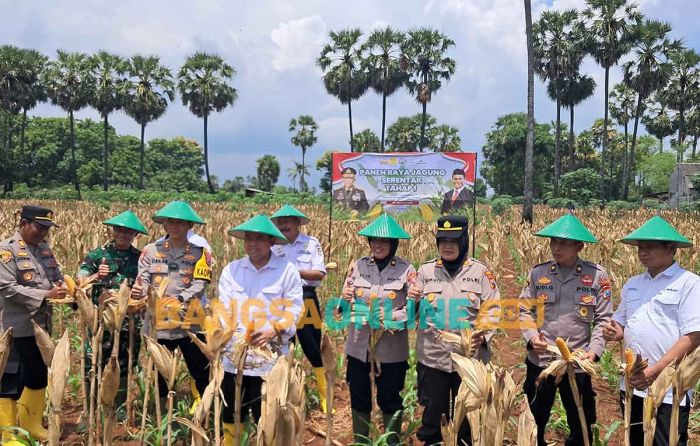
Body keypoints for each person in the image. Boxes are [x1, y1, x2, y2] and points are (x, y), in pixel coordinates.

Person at [602, 216, 700, 446]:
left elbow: (693, 335)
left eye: (650, 247)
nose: (643, 253)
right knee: (634, 439)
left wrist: (654, 371)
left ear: (672, 248)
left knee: (666, 442)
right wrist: (613, 332)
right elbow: (620, 323)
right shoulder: (633, 283)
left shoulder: (689, 283)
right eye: (640, 248)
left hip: (669, 387)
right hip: (633, 382)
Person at [519, 213, 612, 446]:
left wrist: (595, 351)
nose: (555, 247)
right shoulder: (538, 273)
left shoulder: (596, 276)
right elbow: (523, 310)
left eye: (563, 243)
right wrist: (531, 337)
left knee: (581, 421)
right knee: (534, 418)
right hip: (541, 360)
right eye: (553, 242)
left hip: (578, 362)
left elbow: (603, 318)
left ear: (579, 246)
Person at [408, 215, 499, 445]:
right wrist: (413, 301)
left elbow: (493, 309)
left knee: (468, 420)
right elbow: (411, 315)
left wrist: (482, 334)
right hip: (433, 359)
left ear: (464, 241)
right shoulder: (426, 271)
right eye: (442, 240)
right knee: (432, 418)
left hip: (469, 361)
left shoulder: (480, 273)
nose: (447, 246)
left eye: (453, 240)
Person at [218, 215, 303, 445]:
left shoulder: (287, 271)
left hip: (270, 360)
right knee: (231, 412)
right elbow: (224, 309)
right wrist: (232, 336)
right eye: (248, 238)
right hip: (234, 358)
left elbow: (295, 309)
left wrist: (274, 330)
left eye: (259, 238)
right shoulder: (231, 270)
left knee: (266, 416)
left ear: (272, 242)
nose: (252, 243)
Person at [339, 214, 414, 445]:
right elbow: (343, 309)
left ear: (394, 244)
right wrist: (343, 300)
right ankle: (362, 441)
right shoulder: (358, 266)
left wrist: (391, 318)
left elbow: (414, 314)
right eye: (374, 240)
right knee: (359, 399)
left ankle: (392, 441)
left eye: (384, 241)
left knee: (389, 399)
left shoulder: (407, 271)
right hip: (358, 347)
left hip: (391, 350)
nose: (378, 245)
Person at [132, 200, 212, 401]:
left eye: (180, 223)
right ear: (164, 225)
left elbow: (200, 284)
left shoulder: (200, 253)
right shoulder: (150, 251)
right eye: (170, 222)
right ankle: (161, 405)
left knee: (199, 366)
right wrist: (141, 295)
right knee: (160, 369)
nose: (174, 227)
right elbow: (142, 279)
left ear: (189, 226)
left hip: (189, 320)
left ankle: (201, 404)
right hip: (158, 322)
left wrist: (179, 299)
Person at [0, 205, 64, 445]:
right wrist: (46, 294)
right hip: (13, 327)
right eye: (39, 227)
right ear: (23, 223)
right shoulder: (7, 251)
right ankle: (9, 434)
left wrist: (64, 287)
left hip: (40, 327)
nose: (43, 232)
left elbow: (55, 276)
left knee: (37, 374)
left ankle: (31, 425)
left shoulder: (45, 250)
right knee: (10, 378)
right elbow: (6, 287)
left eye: (47, 228)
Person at [77, 210, 148, 406]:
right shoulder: (97, 255)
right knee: (93, 361)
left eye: (128, 232)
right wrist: (96, 276)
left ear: (135, 235)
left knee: (123, 364)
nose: (122, 235)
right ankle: (91, 407)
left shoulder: (140, 258)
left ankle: (117, 407)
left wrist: (141, 291)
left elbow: (148, 284)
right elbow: (79, 282)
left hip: (128, 321)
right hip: (99, 320)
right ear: (113, 231)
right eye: (119, 230)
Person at [270, 204, 330, 412]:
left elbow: (319, 274)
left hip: (306, 298)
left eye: (288, 221)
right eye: (281, 221)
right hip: (279, 299)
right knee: (282, 345)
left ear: (298, 223)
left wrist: (294, 272)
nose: (284, 224)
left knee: (311, 344)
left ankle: (324, 394)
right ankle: (283, 393)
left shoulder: (311, 244)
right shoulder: (273, 245)